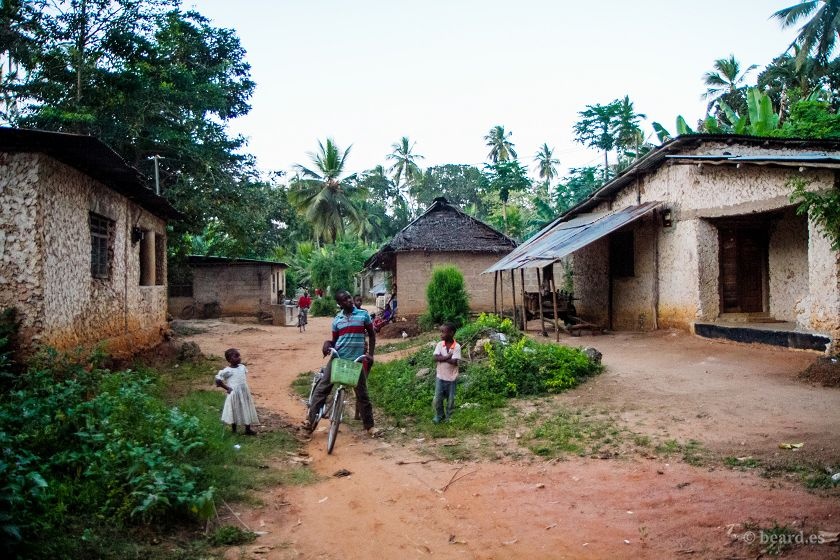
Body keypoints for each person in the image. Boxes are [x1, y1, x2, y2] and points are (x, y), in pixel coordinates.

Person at [307, 290, 377, 435]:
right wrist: (327, 344)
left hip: (355, 360)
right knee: (322, 389)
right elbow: (335, 340)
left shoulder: (363, 315)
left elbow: (371, 334)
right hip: (338, 358)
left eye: (349, 297)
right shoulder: (337, 320)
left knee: (362, 395)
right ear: (339, 304)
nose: (349, 301)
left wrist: (370, 355)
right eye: (344, 300)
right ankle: (309, 421)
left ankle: (370, 426)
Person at [215, 348, 259, 435]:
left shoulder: (242, 367)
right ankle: (234, 430)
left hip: (244, 392)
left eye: (239, 356)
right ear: (230, 359)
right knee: (235, 410)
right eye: (236, 356)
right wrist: (227, 388)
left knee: (246, 408)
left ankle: (248, 429)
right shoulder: (228, 370)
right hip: (234, 394)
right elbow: (218, 380)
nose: (239, 358)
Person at [432, 322, 461, 424]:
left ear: (451, 333)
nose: (441, 334)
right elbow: (435, 358)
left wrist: (442, 358)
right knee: (438, 399)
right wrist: (447, 357)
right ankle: (439, 415)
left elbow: (454, 362)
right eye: (441, 332)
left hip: (452, 378)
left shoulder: (456, 346)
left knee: (450, 400)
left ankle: (449, 416)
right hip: (440, 377)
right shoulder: (440, 345)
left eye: (443, 332)